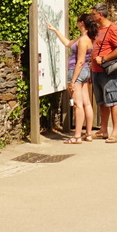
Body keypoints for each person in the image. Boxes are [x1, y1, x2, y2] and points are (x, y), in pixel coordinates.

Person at [47, 14, 97, 143]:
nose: (76, 23)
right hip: (85, 72)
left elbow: (79, 62)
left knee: (77, 105)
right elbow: (68, 43)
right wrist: (55, 30)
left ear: (82, 23)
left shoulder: (82, 40)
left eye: (77, 21)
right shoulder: (87, 38)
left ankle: (77, 136)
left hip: (77, 72)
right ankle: (88, 134)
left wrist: (73, 81)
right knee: (87, 104)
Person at [89, 3, 117, 142]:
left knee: (112, 100)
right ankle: (103, 130)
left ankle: (115, 132)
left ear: (100, 14)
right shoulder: (97, 29)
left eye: (94, 14)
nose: (92, 17)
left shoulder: (113, 29)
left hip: (107, 71)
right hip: (96, 70)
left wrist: (104, 58)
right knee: (102, 102)